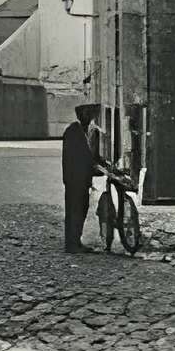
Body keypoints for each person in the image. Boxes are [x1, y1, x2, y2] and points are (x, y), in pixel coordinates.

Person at [62, 102, 102, 254]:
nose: (91, 117)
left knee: (78, 210)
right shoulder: (74, 132)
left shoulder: (80, 131)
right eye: (89, 114)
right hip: (75, 180)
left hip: (78, 180)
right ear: (82, 115)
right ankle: (72, 244)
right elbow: (80, 158)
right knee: (76, 210)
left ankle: (74, 242)